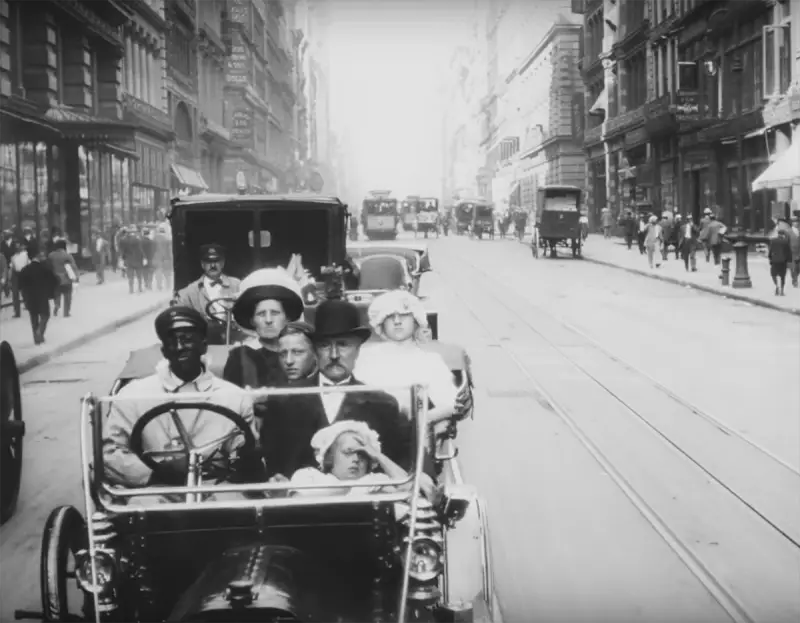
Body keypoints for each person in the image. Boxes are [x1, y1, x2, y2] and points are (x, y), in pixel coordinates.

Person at [259, 297, 430, 481]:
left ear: (358, 349)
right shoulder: (284, 401)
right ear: (315, 350)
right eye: (325, 346)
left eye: (343, 345)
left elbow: (402, 464)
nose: (333, 355)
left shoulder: (383, 404)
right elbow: (272, 464)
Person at [102, 307, 260, 500]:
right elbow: (109, 454)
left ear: (203, 346)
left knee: (235, 504)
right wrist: (153, 473)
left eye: (186, 340)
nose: (179, 347)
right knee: (143, 508)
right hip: (155, 487)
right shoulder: (133, 395)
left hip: (216, 487)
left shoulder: (234, 396)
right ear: (163, 351)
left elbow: (242, 449)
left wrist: (242, 459)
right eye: (171, 342)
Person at [356, 290, 457, 431]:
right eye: (390, 316)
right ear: (381, 323)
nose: (397, 321)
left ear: (415, 320)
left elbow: (448, 404)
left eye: (403, 315)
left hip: (412, 434)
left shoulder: (430, 361)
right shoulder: (364, 356)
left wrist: (422, 420)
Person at [223, 268, 306, 390]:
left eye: (275, 313)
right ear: (252, 321)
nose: (268, 320)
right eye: (261, 314)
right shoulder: (240, 357)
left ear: (287, 318)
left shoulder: (302, 354)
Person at [290, 421, 409, 497]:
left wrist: (378, 456)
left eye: (362, 454)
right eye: (348, 452)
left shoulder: (375, 480)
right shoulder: (309, 476)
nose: (356, 459)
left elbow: (409, 491)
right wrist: (352, 488)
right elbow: (298, 504)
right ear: (330, 457)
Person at [174, 244, 241, 341]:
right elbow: (179, 318)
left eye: (216, 261)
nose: (213, 265)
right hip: (204, 341)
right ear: (202, 264)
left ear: (223, 263)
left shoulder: (237, 285)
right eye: (208, 262)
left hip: (235, 339)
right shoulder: (189, 292)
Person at [18, 245, 58, 345]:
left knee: (34, 317)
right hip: (42, 296)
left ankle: (37, 339)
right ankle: (40, 331)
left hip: (30, 297)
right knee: (45, 315)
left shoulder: (25, 269)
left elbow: (20, 285)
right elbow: (54, 280)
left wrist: (24, 295)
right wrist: (52, 293)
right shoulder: (44, 268)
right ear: (37, 256)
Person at [277, 321, 318, 385]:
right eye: (283, 354)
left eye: (297, 352)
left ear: (315, 353)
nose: (289, 361)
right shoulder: (272, 389)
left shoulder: (326, 387)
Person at [47, 239, 79, 317]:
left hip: (55, 279)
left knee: (57, 294)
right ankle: (66, 313)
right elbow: (73, 267)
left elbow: (48, 267)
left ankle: (57, 305)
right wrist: (76, 278)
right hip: (66, 279)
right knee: (67, 296)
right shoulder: (67, 256)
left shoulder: (51, 255)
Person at [119, 226, 145, 293]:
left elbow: (122, 251)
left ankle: (131, 289)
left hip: (129, 260)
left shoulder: (123, 240)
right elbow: (141, 250)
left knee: (130, 276)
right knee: (139, 275)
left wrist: (123, 258)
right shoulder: (138, 239)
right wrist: (143, 257)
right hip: (138, 260)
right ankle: (140, 288)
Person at [768, 226, 792, 296]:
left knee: (773, 274)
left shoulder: (773, 241)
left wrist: (770, 258)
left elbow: (770, 251)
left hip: (775, 261)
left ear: (778, 234)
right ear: (783, 235)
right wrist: (789, 261)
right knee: (782, 276)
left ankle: (776, 285)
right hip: (783, 261)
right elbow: (788, 252)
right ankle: (782, 290)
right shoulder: (785, 242)